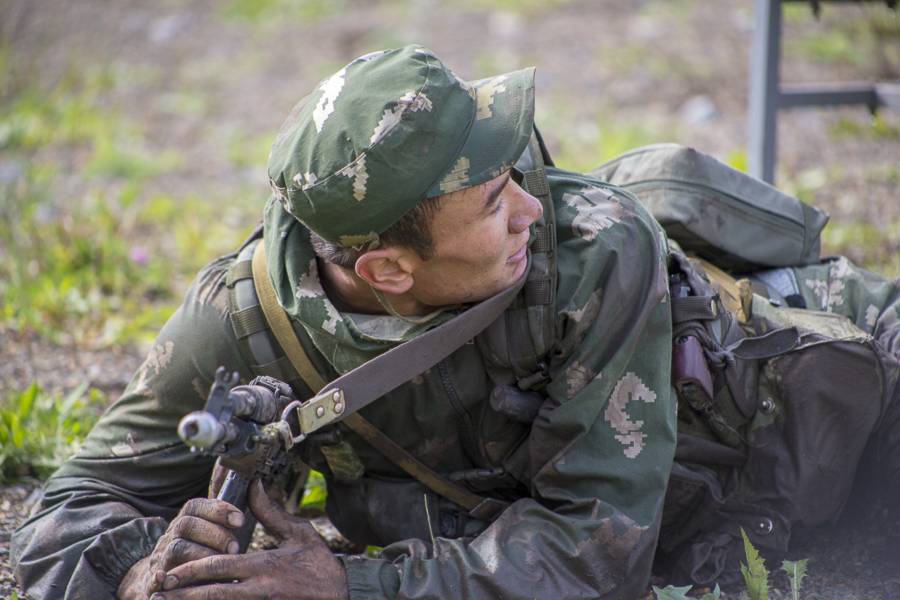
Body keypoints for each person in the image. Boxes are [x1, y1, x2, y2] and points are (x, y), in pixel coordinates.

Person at [11, 45, 900, 600]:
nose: (528, 206)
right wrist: (137, 575)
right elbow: (62, 518)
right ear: (387, 270)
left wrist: (347, 584)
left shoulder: (592, 251)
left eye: (513, 169)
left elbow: (598, 555)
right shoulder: (246, 320)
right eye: (490, 200)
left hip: (848, 376)